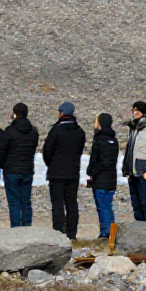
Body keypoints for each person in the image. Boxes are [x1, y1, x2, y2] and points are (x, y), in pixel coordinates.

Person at [42, 102, 85, 239]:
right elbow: (79, 150)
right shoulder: (79, 131)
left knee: (58, 204)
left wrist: (52, 164)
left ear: (61, 113)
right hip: (73, 172)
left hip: (57, 173)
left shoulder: (56, 130)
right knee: (71, 202)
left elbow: (47, 151)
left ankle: (59, 232)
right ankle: (72, 233)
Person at [0, 102, 38, 228]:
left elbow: (1, 150)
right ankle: (27, 228)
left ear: (15, 114)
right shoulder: (33, 131)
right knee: (26, 201)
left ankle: (16, 229)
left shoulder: (10, 131)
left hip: (11, 170)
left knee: (14, 201)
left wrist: (4, 165)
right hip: (27, 169)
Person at [87, 112, 119, 240]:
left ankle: (106, 233)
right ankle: (112, 231)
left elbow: (100, 161)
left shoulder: (100, 139)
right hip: (111, 179)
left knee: (103, 207)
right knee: (108, 206)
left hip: (101, 179)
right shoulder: (113, 140)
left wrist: (92, 171)